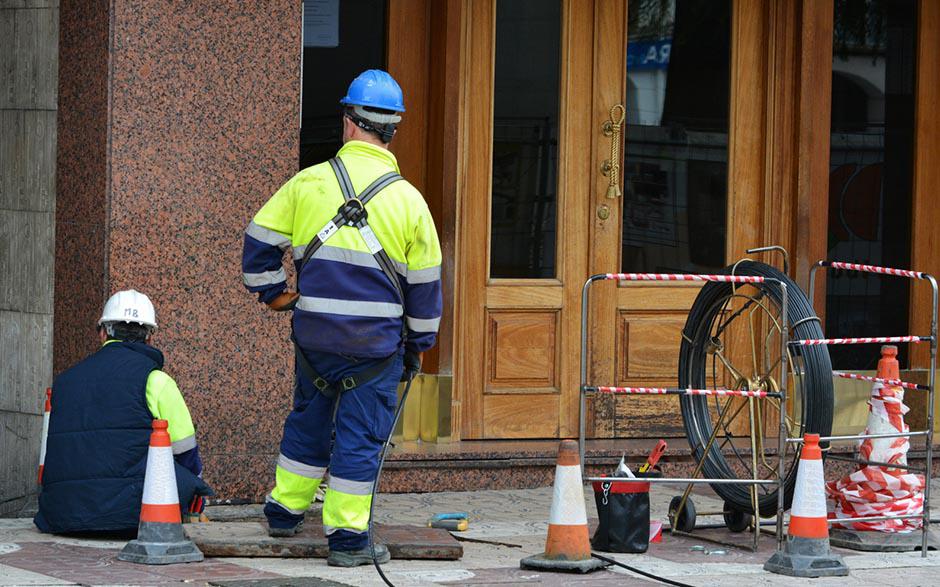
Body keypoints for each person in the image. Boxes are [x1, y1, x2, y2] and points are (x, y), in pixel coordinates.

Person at [241, 69, 442, 567]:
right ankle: (349, 540)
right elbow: (425, 289)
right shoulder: (410, 201)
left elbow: (257, 245)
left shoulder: (307, 183)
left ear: (349, 122)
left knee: (308, 421)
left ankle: (283, 512)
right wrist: (419, 344)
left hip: (315, 338)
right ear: (392, 129)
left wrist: (275, 296)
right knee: (361, 438)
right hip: (375, 348)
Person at [34, 290, 212, 534]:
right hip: (135, 517)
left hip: (62, 516)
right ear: (150, 337)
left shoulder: (64, 382)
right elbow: (186, 452)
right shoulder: (156, 380)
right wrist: (194, 497)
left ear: (103, 333)